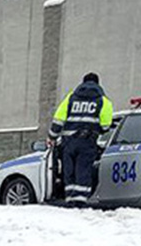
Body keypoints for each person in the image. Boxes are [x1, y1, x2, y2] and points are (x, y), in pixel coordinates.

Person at [48, 73, 114, 207]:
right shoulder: (103, 101)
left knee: (69, 171)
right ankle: (80, 202)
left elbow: (58, 120)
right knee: (83, 171)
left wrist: (51, 136)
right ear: (98, 84)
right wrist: (95, 129)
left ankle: (70, 200)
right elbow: (106, 125)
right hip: (87, 142)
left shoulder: (71, 98)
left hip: (68, 142)